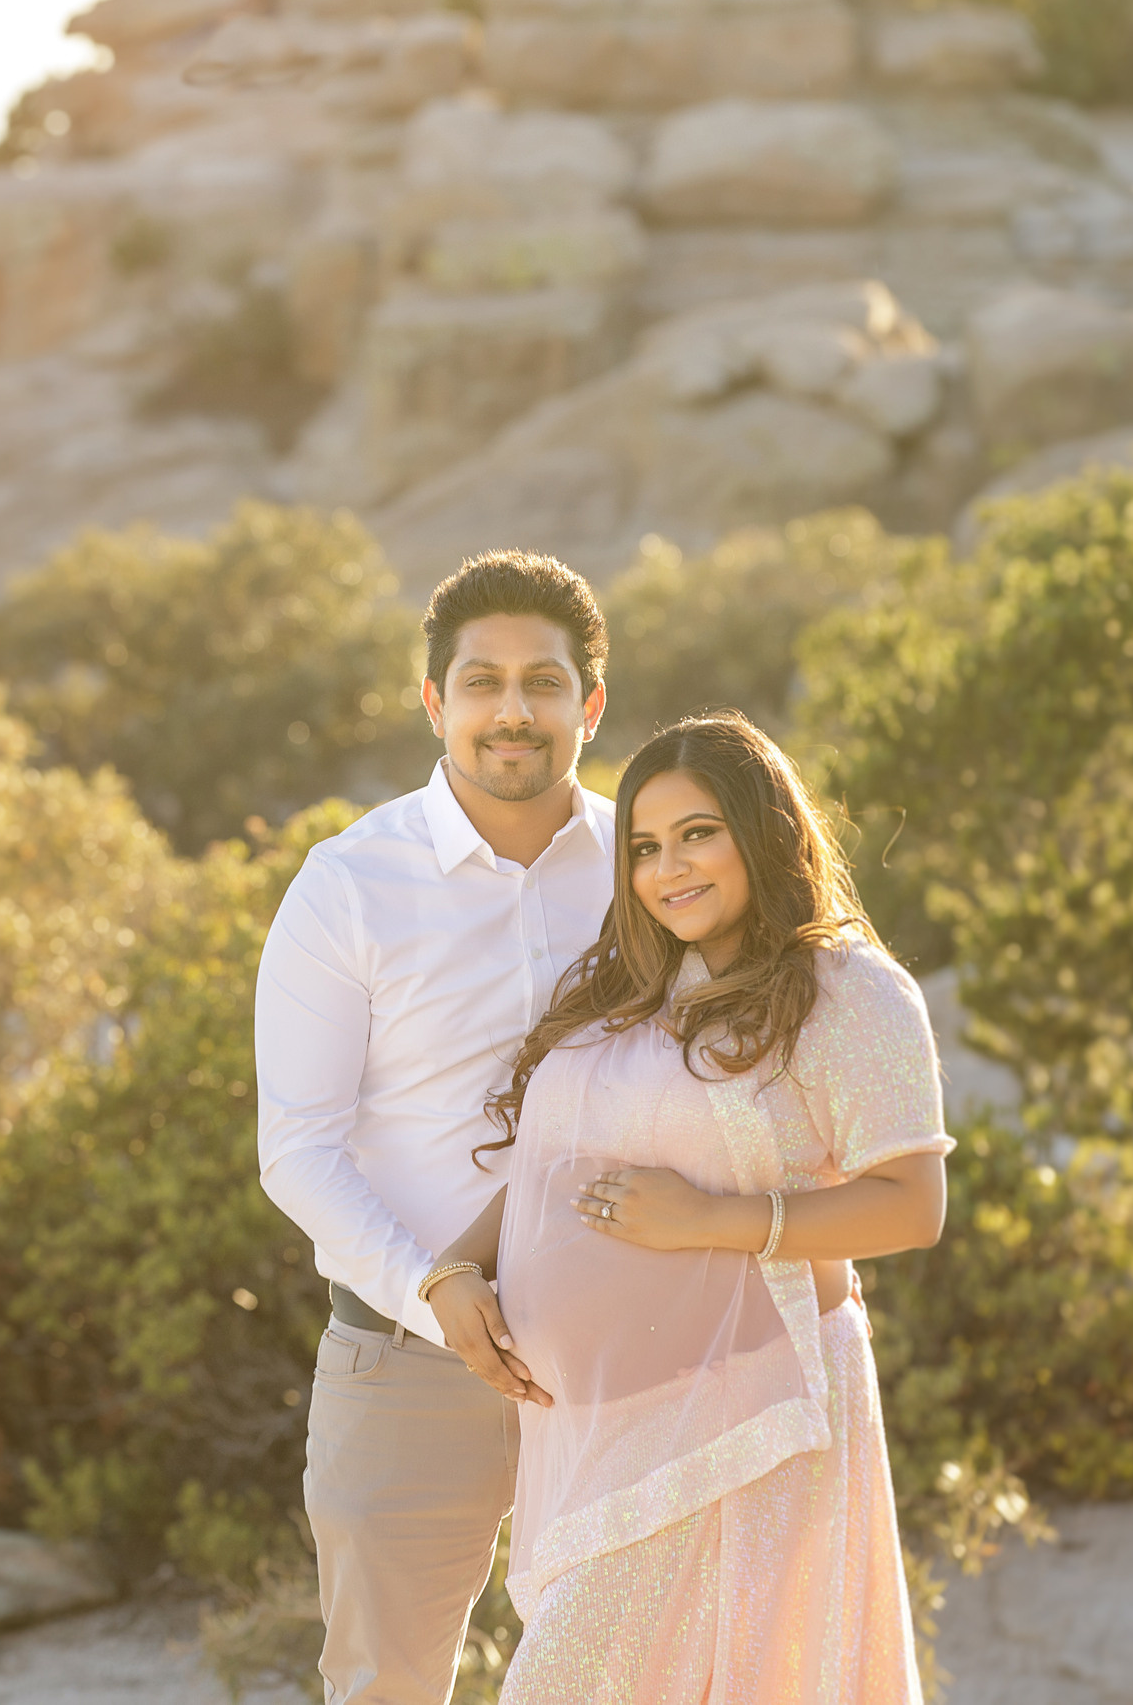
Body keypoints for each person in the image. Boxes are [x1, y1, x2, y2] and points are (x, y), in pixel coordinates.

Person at [439, 711, 949, 1704]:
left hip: (761, 1411)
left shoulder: (846, 991)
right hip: (614, 1423)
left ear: (761, 831)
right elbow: (555, 1175)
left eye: (697, 834)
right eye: (643, 846)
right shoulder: (628, 995)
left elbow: (910, 1206)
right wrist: (456, 1266)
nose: (669, 868)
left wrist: (715, 1220)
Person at [255, 551, 610, 1704]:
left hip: (623, 1353)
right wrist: (433, 1290)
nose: (513, 711)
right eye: (482, 681)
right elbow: (296, 1151)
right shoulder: (347, 887)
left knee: (640, 1671)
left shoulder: (653, 869)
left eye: (544, 683)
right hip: (402, 1357)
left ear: (589, 704)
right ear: (433, 701)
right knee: (387, 1690)